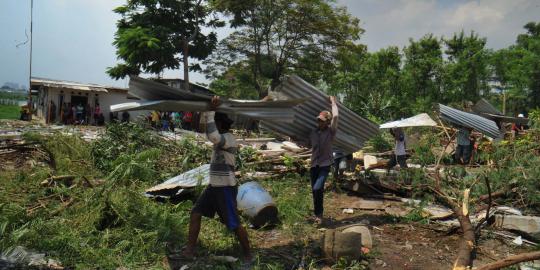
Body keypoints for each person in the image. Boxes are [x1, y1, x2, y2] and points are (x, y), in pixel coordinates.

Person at [182, 96, 252, 266]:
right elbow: (210, 134)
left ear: (221, 124)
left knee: (234, 224)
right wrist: (209, 112)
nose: (215, 126)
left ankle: (249, 255)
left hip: (225, 188)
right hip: (214, 187)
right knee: (196, 213)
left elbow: (212, 136)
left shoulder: (228, 138)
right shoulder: (221, 138)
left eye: (216, 122)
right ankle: (189, 250)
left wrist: (210, 111)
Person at [305, 96, 338, 225]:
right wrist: (294, 138)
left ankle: (319, 214)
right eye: (318, 120)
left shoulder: (331, 132)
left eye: (322, 121)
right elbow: (308, 144)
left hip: (325, 164)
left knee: (318, 188)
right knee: (314, 190)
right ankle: (318, 215)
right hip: (314, 164)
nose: (319, 122)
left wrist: (333, 103)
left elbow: (335, 117)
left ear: (327, 122)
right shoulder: (313, 132)